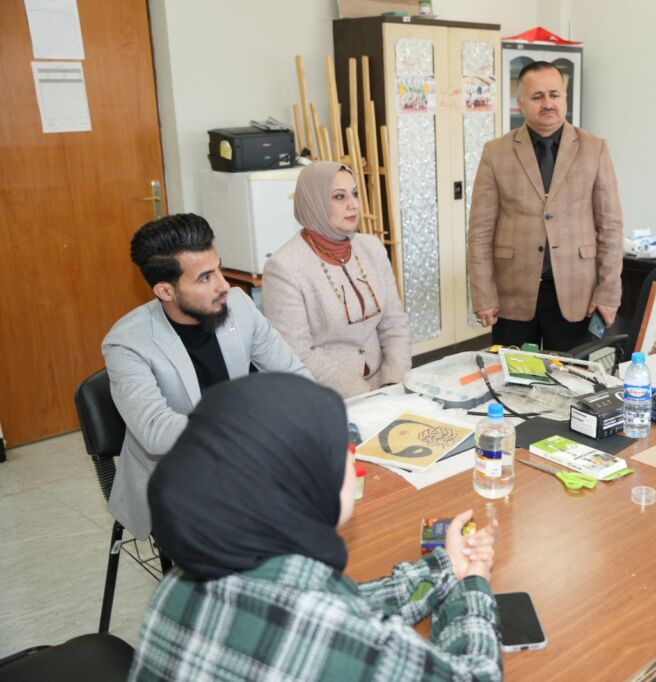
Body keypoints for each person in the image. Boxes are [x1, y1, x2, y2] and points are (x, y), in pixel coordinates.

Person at [130, 373, 502, 681]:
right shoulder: (332, 633)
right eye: (340, 449)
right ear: (302, 482)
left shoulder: (179, 583)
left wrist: (444, 569)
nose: (352, 458)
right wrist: (473, 584)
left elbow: (330, 605)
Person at [103, 213, 310, 540]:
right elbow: (156, 431)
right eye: (205, 278)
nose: (223, 285)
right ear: (165, 291)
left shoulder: (238, 306)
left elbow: (296, 378)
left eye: (219, 268)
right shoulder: (127, 343)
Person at [468, 60, 624, 351]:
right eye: (537, 97)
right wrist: (483, 294)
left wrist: (609, 292)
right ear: (520, 103)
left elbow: (610, 227)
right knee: (514, 374)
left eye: (554, 94)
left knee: (571, 374)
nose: (548, 103)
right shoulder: (495, 153)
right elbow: (480, 232)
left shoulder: (594, 149)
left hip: (577, 293)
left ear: (565, 97)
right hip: (512, 294)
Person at [262, 161, 410, 398]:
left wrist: (394, 382)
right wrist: (367, 396)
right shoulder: (284, 268)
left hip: (385, 386)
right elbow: (298, 353)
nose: (353, 205)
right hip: (326, 397)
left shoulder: (372, 248)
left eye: (355, 194)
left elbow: (395, 323)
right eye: (339, 197)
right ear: (315, 203)